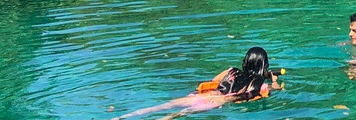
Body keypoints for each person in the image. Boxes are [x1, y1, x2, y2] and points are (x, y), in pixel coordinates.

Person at [115, 47, 281, 120]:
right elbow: (270, 92)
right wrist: (274, 82)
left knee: (160, 107)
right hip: (218, 102)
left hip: (207, 94)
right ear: (263, 66)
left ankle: (122, 117)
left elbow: (214, 82)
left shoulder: (231, 71)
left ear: (245, 62)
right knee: (177, 115)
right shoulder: (260, 84)